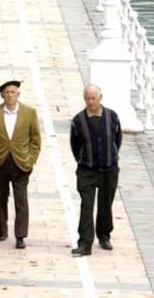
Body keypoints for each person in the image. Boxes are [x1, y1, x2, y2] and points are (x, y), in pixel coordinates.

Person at [0, 80, 41, 249]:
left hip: (21, 162)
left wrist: (31, 159)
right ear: (2, 95)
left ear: (18, 94)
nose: (10, 95)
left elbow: (35, 138)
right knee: (0, 197)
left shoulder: (29, 113)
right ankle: (1, 230)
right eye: (6, 92)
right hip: (0, 161)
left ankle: (20, 235)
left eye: (13, 92)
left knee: (21, 200)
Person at [70, 84, 122, 256]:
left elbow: (117, 139)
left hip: (109, 169)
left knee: (105, 203)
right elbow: (75, 144)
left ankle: (104, 235)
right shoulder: (78, 120)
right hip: (87, 170)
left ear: (101, 97)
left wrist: (111, 157)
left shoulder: (112, 117)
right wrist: (83, 159)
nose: (90, 101)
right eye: (87, 98)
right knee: (87, 205)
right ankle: (85, 242)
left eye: (93, 98)